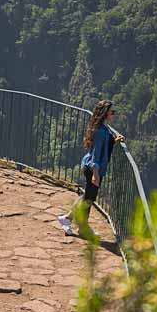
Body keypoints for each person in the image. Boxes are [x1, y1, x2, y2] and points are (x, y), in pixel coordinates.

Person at [67, 100, 124, 242]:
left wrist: (114, 140)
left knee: (88, 197)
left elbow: (103, 146)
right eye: (112, 112)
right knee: (89, 199)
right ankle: (79, 226)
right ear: (105, 113)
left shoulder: (103, 128)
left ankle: (70, 220)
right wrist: (95, 174)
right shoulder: (100, 131)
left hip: (91, 167)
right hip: (93, 168)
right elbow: (96, 155)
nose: (114, 114)